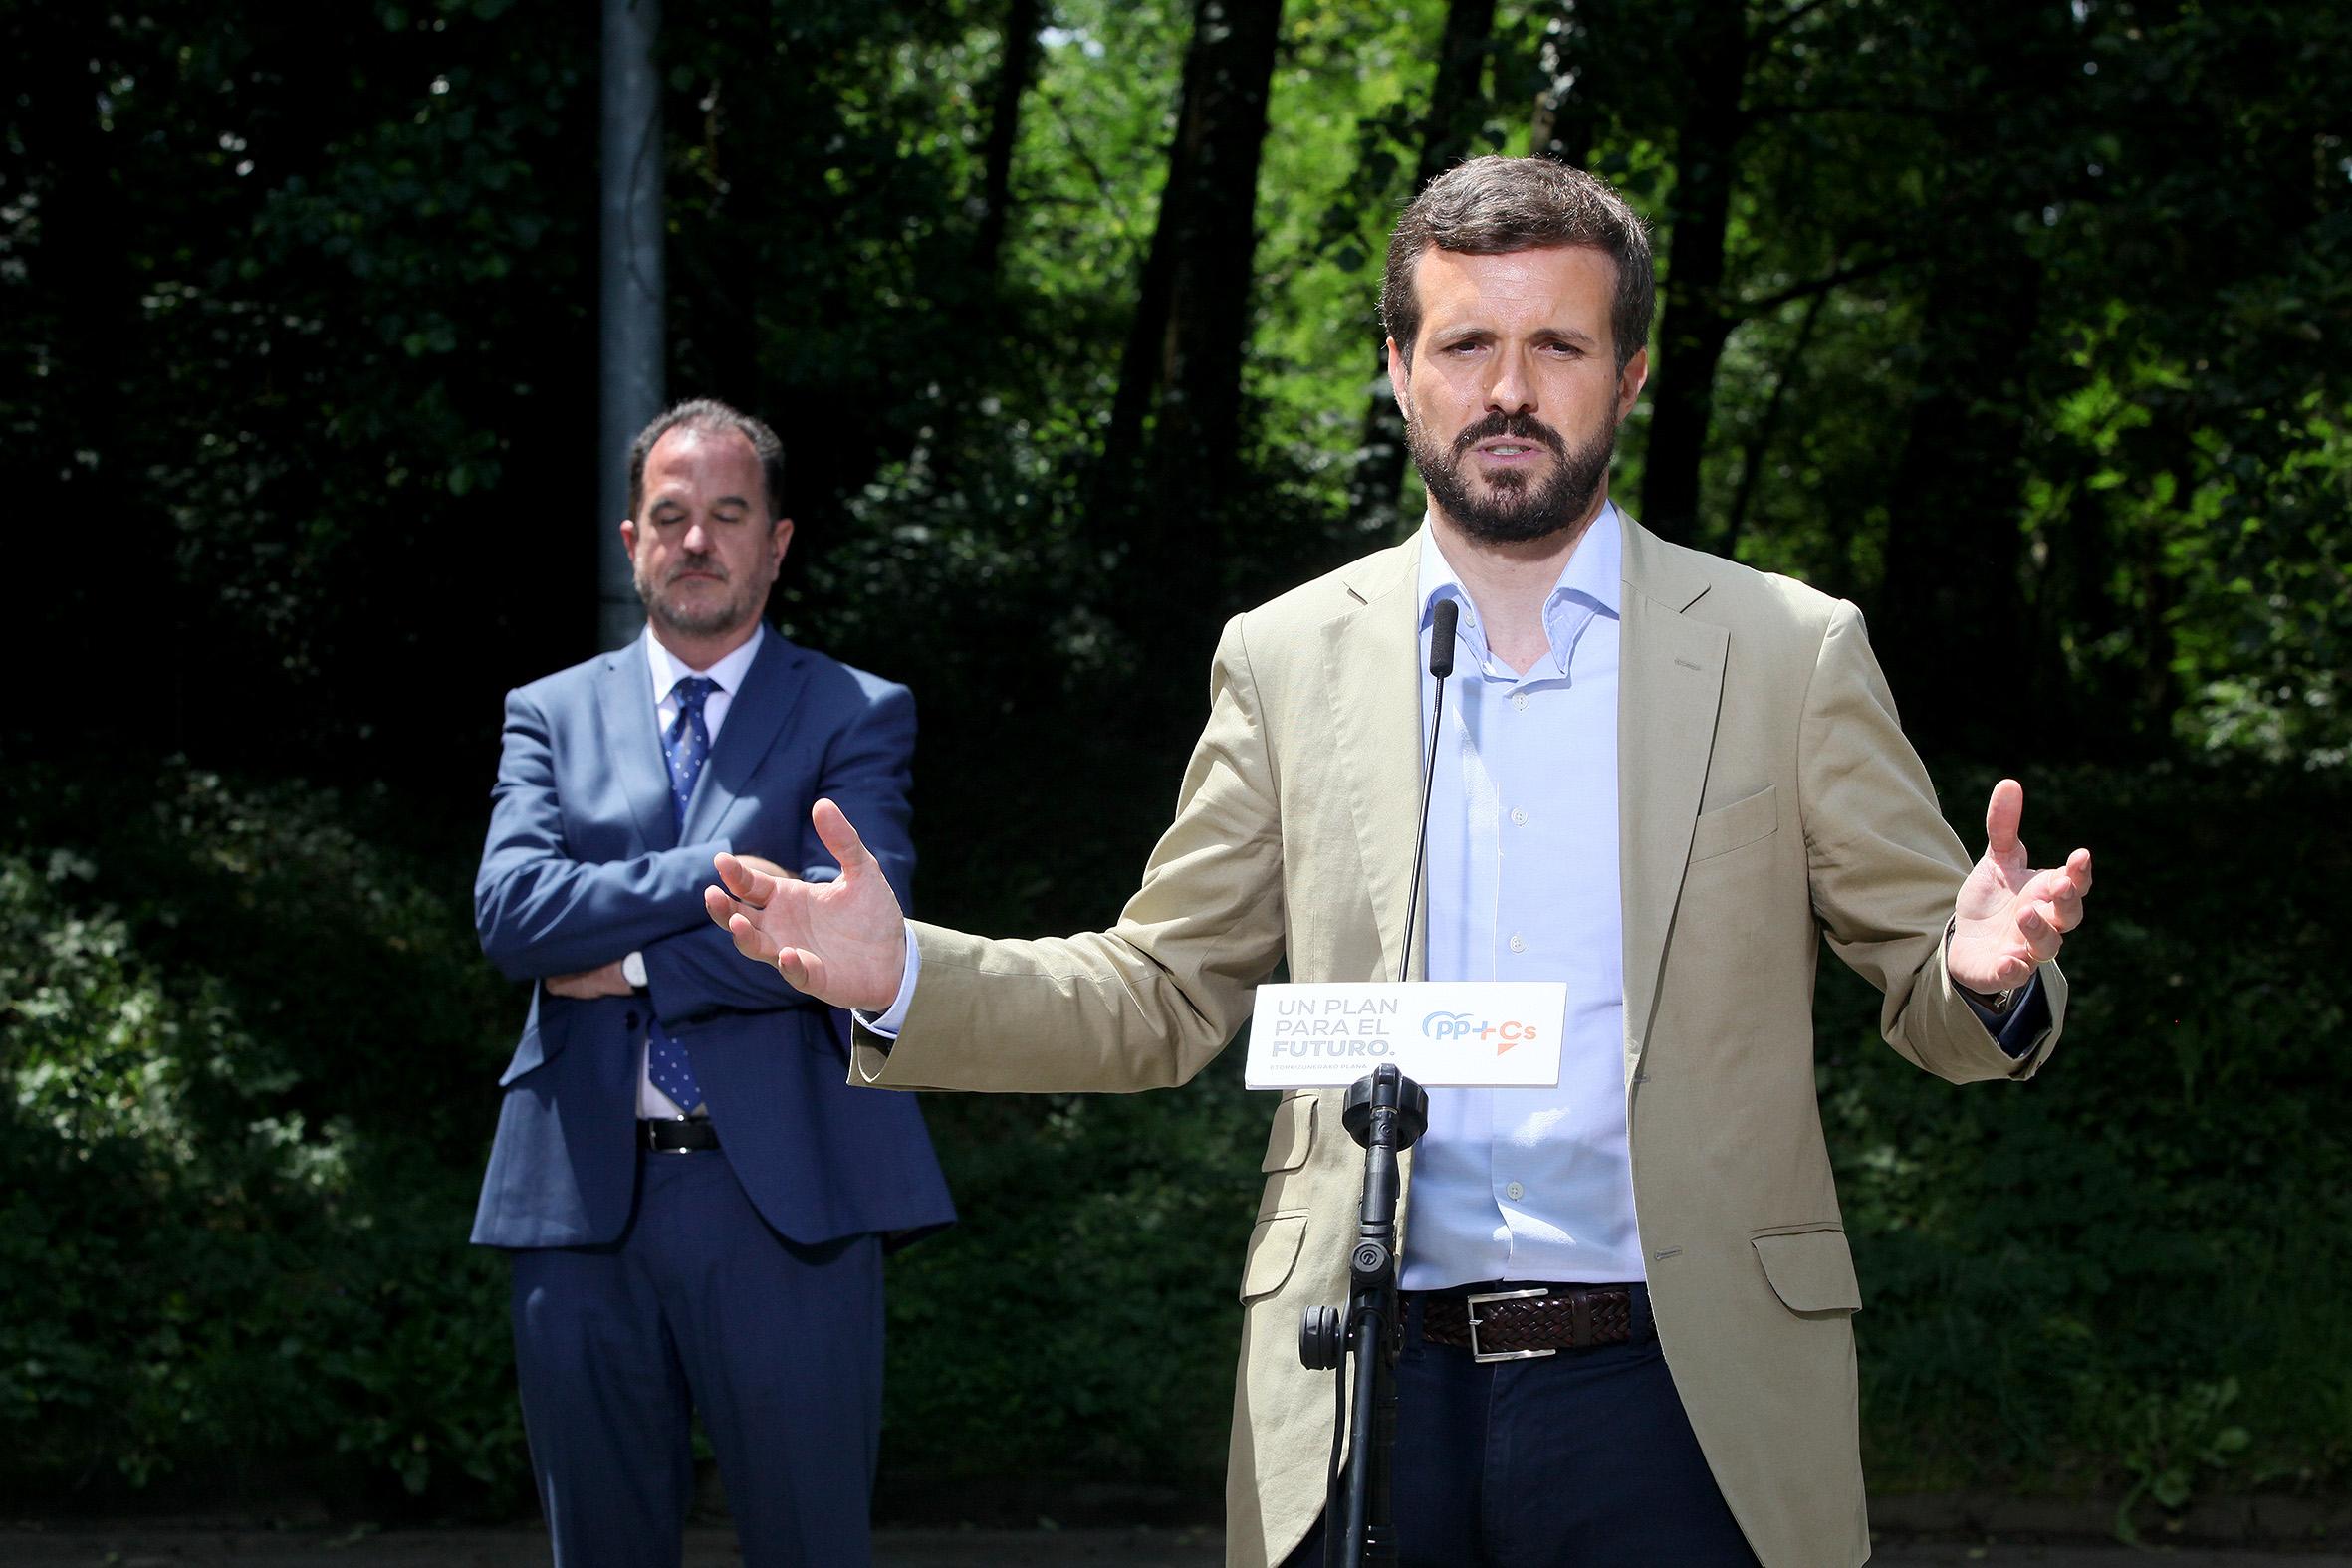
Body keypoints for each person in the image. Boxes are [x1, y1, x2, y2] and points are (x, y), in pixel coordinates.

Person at [705, 160, 2094, 1568]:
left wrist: (1977, 974)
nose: (1508, 387)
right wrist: (905, 973)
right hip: (1364, 1387)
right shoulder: (1285, 653)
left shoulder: (1785, 649)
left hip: (1681, 1393)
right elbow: (1158, 987)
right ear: (1396, 368)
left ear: (1628, 376)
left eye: (1556, 344)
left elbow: (1936, 991)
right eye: (1464, 344)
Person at [470, 398, 953, 1568]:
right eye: (670, 516)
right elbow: (512, 913)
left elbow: (844, 934)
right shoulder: (547, 712)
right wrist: (721, 878)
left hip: (786, 1202)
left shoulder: (857, 711)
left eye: (727, 515)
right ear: (629, 540)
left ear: (775, 542)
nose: (696, 541)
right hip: (579, 1203)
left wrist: (623, 950)